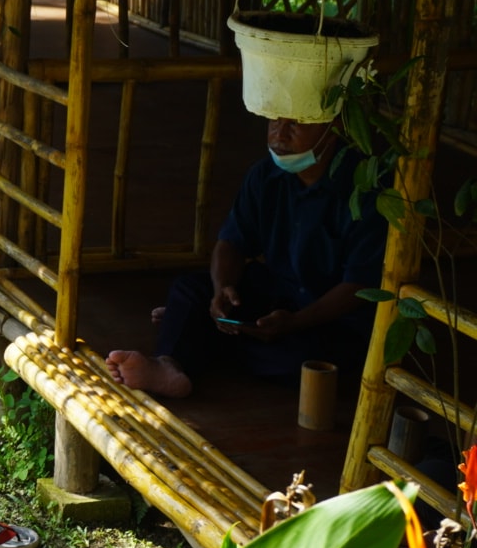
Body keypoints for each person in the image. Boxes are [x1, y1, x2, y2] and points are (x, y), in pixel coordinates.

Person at [105, 116, 388, 398]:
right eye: (275, 122)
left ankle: (196, 334)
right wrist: (221, 289)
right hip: (276, 293)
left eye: (296, 125)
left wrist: (295, 322)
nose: (279, 135)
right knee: (190, 290)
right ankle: (168, 364)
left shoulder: (365, 189)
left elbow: (359, 286)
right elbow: (232, 242)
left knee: (302, 363)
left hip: (329, 319)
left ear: (332, 129)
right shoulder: (265, 175)